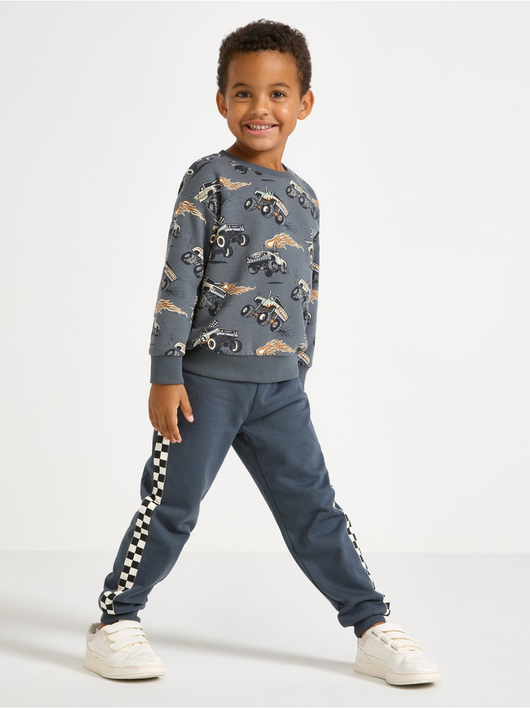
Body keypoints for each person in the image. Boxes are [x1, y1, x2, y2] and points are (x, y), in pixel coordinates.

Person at [84, 18, 442, 687]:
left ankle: (370, 625)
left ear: (304, 103)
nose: (261, 107)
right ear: (222, 101)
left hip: (280, 389)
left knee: (316, 511)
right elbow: (180, 277)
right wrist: (165, 373)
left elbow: (308, 285)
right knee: (170, 507)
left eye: (278, 93)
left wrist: (299, 366)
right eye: (244, 92)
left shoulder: (303, 196)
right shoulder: (208, 178)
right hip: (203, 386)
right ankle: (115, 620)